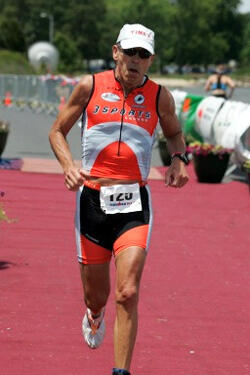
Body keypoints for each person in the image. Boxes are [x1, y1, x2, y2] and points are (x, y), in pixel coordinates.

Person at [49, 23, 189, 375]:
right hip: (92, 202)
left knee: (127, 291)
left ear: (151, 60)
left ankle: (120, 371)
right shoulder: (90, 86)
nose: (135, 60)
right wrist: (69, 166)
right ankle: (94, 315)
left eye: (143, 55)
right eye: (130, 52)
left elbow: (174, 134)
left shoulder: (160, 96)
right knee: (97, 295)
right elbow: (57, 131)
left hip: (134, 204)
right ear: (116, 52)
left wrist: (178, 160)